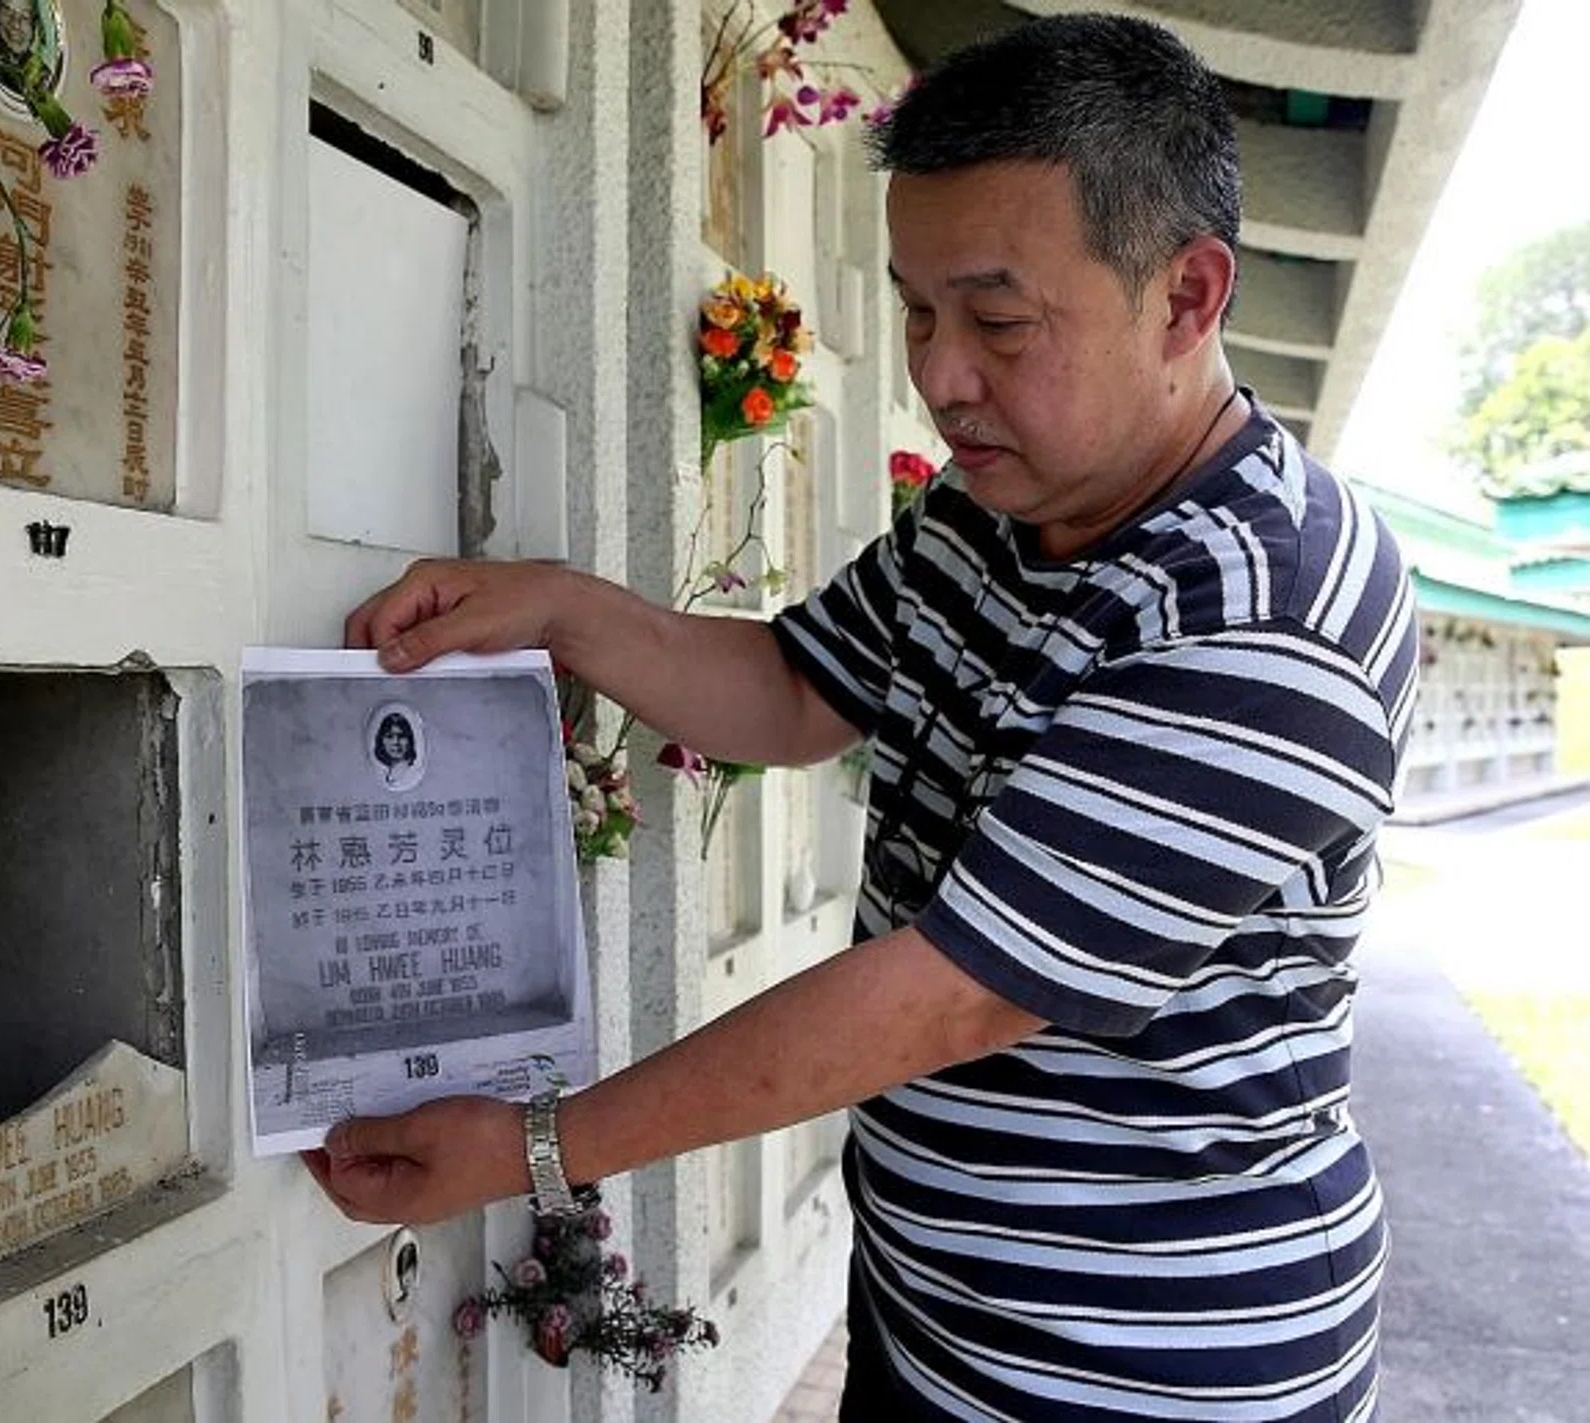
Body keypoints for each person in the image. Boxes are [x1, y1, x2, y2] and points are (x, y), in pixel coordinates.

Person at [308, 13, 1415, 1420]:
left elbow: (958, 989)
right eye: (915, 307)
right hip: (933, 1307)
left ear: (1189, 298)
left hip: (1156, 1364)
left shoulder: (1268, 608)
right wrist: (561, 606)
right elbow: (793, 689)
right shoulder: (996, 502)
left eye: (999, 320)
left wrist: (538, 1145)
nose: (940, 376)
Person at [370, 710, 422, 791]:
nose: (395, 742)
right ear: (381, 740)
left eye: (401, 736)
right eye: (390, 736)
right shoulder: (386, 773)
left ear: (410, 740)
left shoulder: (412, 773)